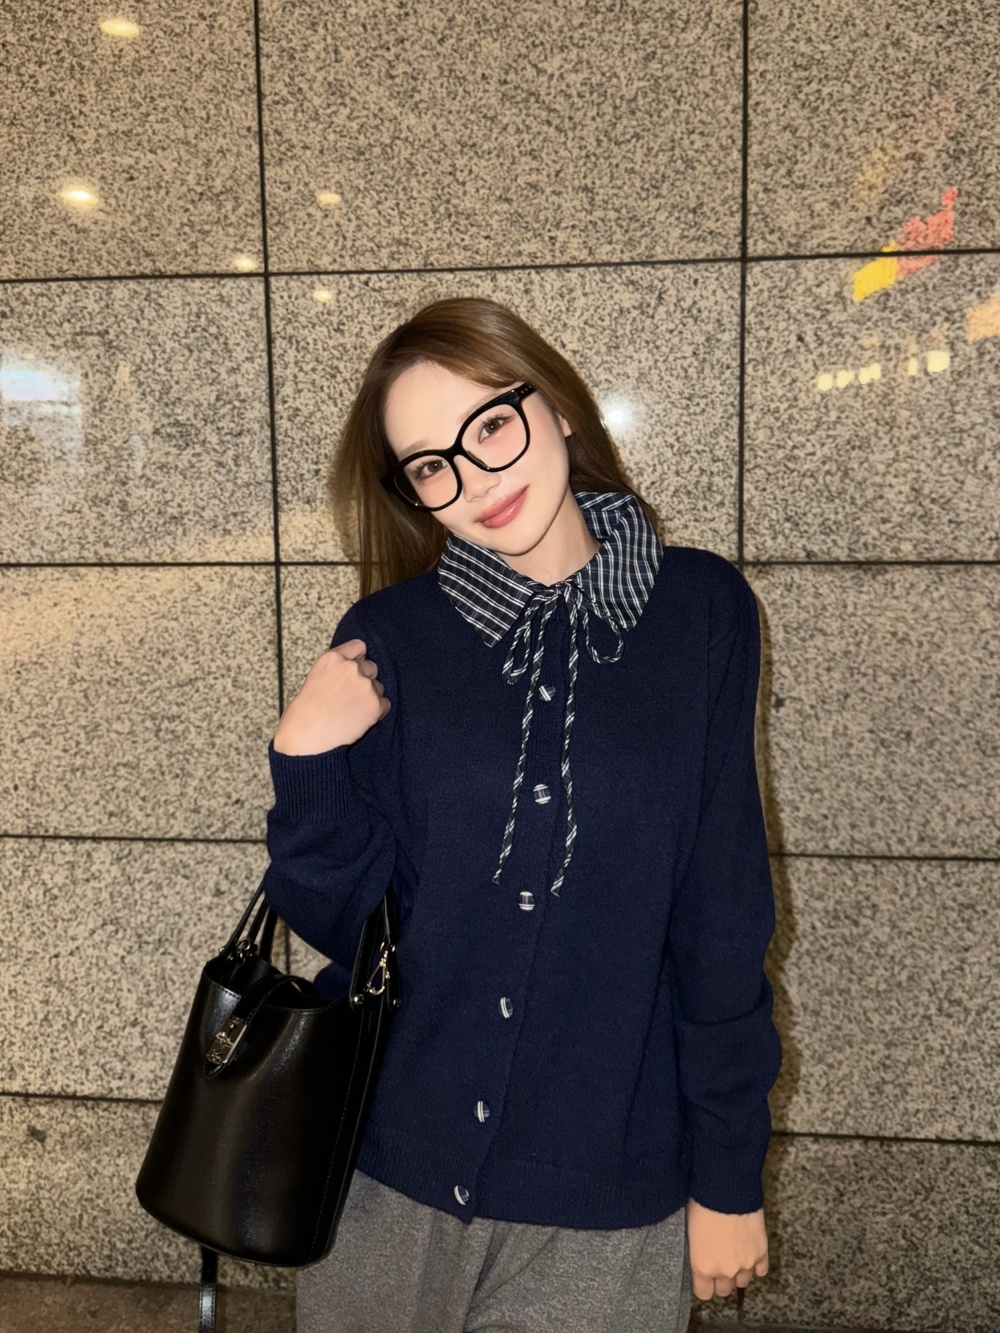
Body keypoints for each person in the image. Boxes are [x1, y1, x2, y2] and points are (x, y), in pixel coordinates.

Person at [262, 295, 783, 1333]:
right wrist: (306, 760)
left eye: (491, 425)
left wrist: (728, 1175)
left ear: (557, 407)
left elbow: (721, 915)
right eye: (430, 465)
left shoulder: (700, 612)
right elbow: (353, 927)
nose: (476, 480)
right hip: (386, 1182)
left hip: (605, 1198)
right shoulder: (391, 635)